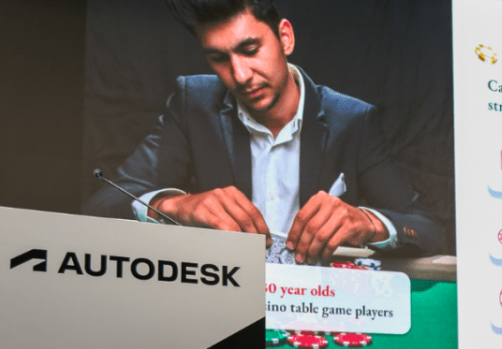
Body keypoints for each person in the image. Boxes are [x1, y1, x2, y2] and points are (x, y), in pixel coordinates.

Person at [84, 0, 445, 262]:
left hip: (317, 306)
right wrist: (176, 205)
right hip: (222, 298)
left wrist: (368, 222)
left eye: (250, 49)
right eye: (219, 58)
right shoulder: (192, 102)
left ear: (285, 38)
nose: (239, 75)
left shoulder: (351, 119)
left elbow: (427, 230)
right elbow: (101, 206)